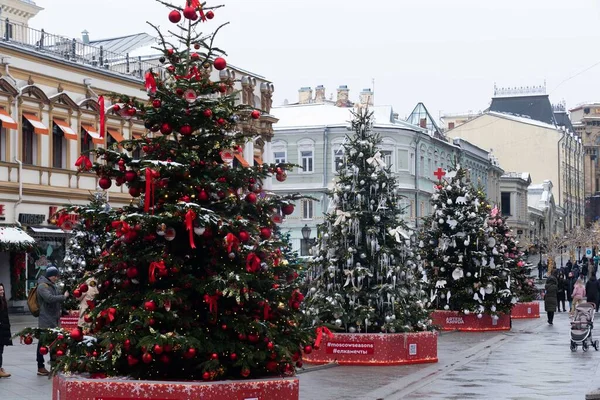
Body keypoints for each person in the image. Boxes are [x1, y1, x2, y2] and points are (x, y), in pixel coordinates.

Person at [36, 267, 69, 376]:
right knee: (42, 343)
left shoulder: (53, 285)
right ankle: (40, 366)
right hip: (46, 319)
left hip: (54, 319)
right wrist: (63, 297)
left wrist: (63, 310)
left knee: (54, 343)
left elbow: (56, 301)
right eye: (55, 276)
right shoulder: (42, 286)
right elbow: (49, 298)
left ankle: (54, 365)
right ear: (51, 275)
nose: (56, 278)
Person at [0, 283, 12, 378]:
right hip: (1, 328)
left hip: (3, 329)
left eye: (2, 290)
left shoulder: (3, 300)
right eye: (0, 290)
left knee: (1, 349)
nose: (2, 292)